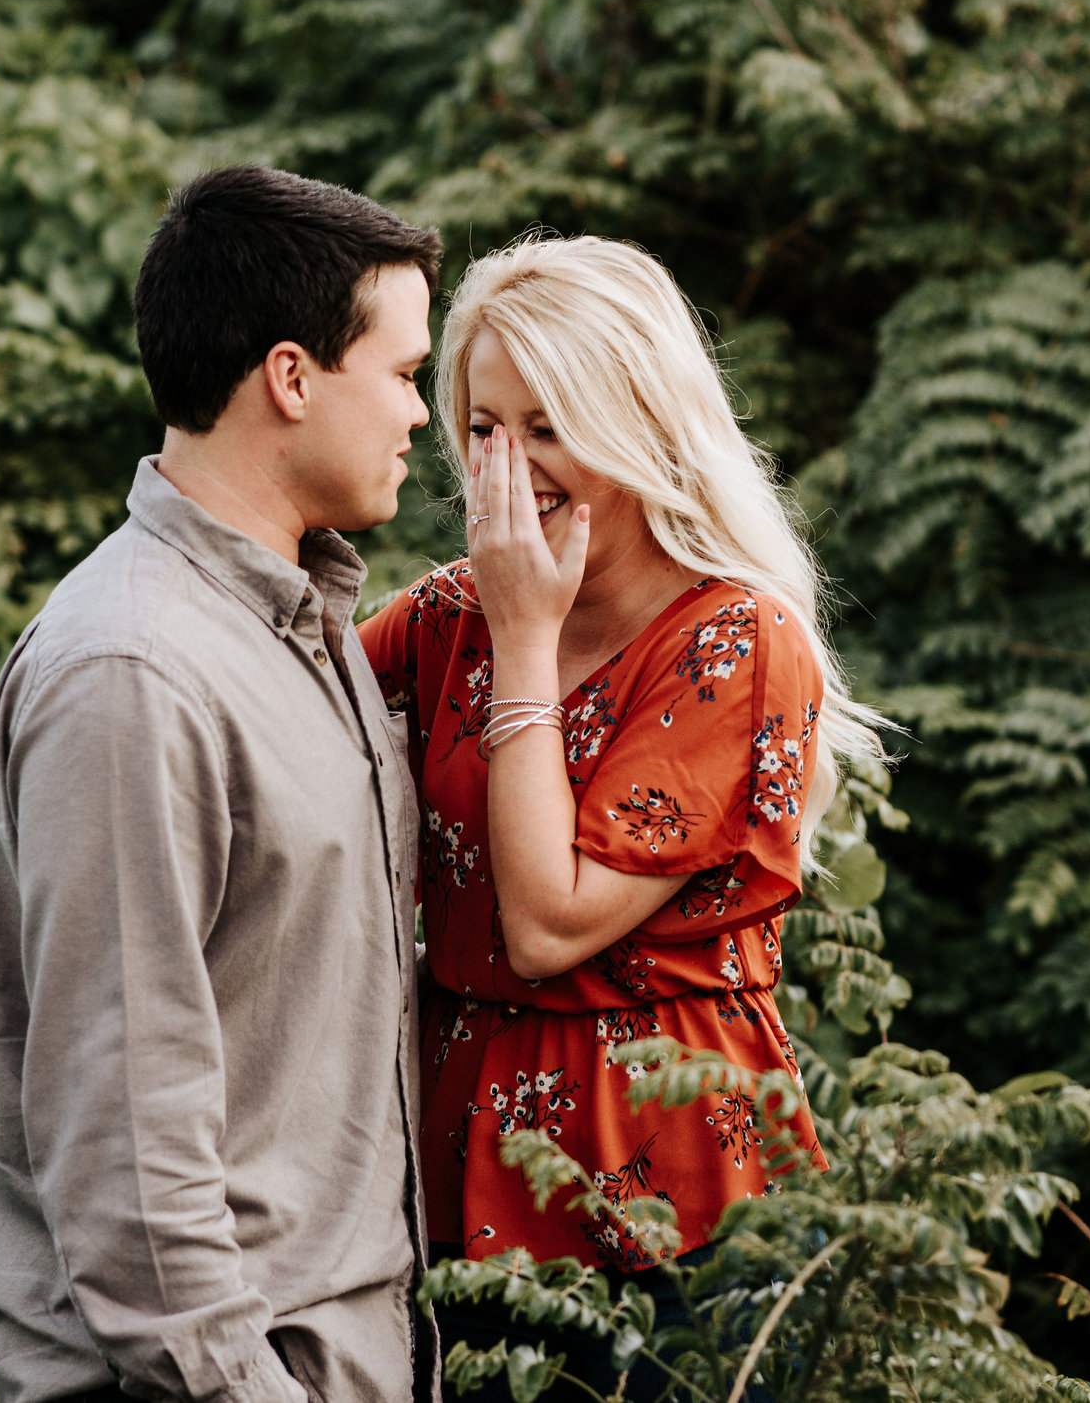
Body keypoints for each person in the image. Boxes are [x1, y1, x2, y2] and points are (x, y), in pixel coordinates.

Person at [357, 235, 883, 1391]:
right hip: (457, 1167)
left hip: (669, 1190)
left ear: (636, 427)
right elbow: (282, 725)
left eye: (547, 429)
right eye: (483, 429)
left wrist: (527, 642)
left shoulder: (735, 641)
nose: (507, 468)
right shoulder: (451, 613)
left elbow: (549, 922)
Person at [0, 166, 440, 1403]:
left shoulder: (304, 619)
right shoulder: (133, 669)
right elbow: (126, 1140)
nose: (421, 415)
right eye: (402, 372)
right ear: (291, 377)